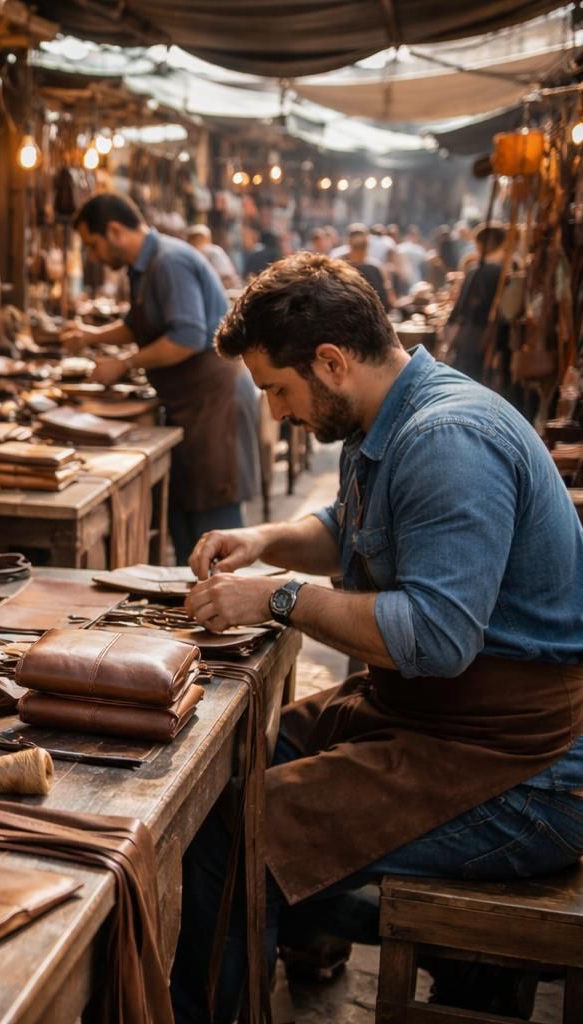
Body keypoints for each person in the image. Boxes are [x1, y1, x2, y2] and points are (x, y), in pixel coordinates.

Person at [169, 254, 583, 1023]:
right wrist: (265, 540)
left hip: (526, 772)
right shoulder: (387, 417)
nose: (279, 414)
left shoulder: (448, 438)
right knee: (226, 770)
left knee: (231, 836)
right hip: (437, 720)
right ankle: (300, 929)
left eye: (278, 391)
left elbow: (435, 636)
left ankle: (268, 972)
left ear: (331, 360)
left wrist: (278, 597)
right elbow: (347, 530)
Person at [61, 193, 251, 560]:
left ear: (114, 231)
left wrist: (124, 364)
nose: (94, 255)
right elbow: (139, 324)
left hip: (213, 403)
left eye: (93, 244)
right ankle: (192, 601)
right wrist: (91, 336)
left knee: (214, 522)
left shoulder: (169, 262)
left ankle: (230, 607)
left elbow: (187, 336)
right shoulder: (145, 266)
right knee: (185, 520)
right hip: (190, 402)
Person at [441, 222, 507, 380]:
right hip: (485, 339)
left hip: (467, 336)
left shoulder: (474, 270)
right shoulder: (499, 272)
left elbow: (457, 311)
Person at [345, 226, 394, 309]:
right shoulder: (339, 265)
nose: (359, 251)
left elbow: (388, 298)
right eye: (357, 246)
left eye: (362, 246)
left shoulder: (376, 267)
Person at [186, 223, 241, 289]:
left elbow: (227, 278)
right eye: (193, 239)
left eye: (198, 238)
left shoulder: (214, 252)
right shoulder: (191, 255)